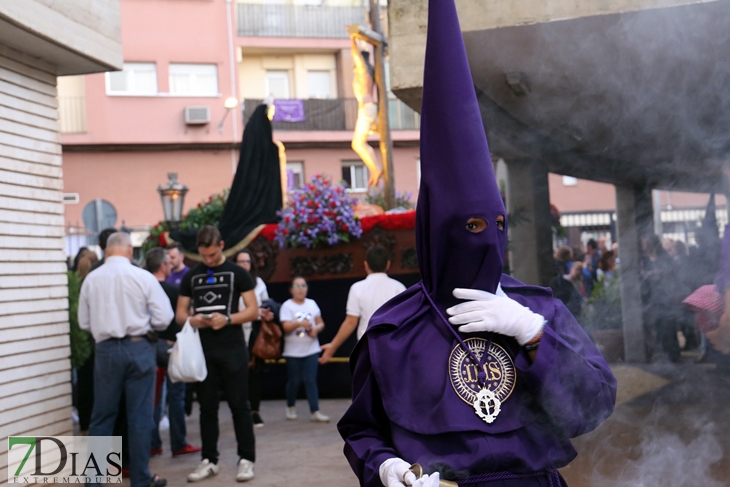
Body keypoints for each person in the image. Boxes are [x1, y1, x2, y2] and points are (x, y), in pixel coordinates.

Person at [337, 0, 616, 484]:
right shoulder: (391, 331)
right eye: (470, 227)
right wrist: (388, 468)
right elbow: (363, 431)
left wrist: (533, 336)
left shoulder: (539, 312)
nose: (488, 240)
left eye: (498, 224)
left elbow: (591, 407)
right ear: (436, 231)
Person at [78, 232, 172, 487]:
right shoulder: (143, 277)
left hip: (106, 350)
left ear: (107, 251)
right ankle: (140, 478)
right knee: (140, 417)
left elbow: (83, 322)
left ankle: (94, 480)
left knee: (102, 417)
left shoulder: (91, 279)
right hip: (139, 346)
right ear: (130, 250)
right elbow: (164, 317)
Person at [177, 226, 259, 483]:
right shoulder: (191, 275)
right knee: (207, 408)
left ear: (221, 245)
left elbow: (253, 310)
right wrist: (194, 320)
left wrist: (228, 319)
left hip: (233, 348)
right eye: (204, 255)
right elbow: (180, 313)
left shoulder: (238, 273)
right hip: (203, 351)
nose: (208, 260)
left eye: (212, 254)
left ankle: (246, 460)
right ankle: (209, 460)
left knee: (240, 406)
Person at [144, 248, 201, 458]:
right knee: (176, 396)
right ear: (162, 266)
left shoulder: (142, 288)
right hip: (170, 347)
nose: (170, 266)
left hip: (148, 347)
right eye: (168, 263)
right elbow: (178, 319)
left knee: (153, 397)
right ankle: (178, 442)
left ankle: (153, 442)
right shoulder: (172, 291)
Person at [319, 245, 406, 364]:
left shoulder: (357, 288)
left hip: (367, 346)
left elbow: (350, 322)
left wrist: (333, 346)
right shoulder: (399, 288)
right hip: (394, 346)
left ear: (366, 265)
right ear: (388, 264)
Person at [280, 276, 330, 423]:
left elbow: (320, 322)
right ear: (291, 290)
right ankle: (290, 406)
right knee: (294, 381)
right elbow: (286, 327)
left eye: (303, 286)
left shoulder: (312, 304)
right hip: (292, 351)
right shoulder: (287, 306)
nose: (300, 289)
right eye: (297, 286)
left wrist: (317, 329)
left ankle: (315, 411)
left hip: (311, 349)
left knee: (310, 380)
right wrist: (299, 323)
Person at [234, 249, 271, 427]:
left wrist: (266, 312)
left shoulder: (258, 283)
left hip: (255, 333)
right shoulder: (232, 282)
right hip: (236, 332)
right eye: (240, 262)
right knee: (239, 374)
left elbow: (266, 304)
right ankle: (241, 411)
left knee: (255, 373)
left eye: (247, 262)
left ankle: (255, 411)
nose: (244, 265)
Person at [348, 27, 382, 187]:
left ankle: (375, 169)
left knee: (357, 144)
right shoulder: (367, 71)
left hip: (367, 110)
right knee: (361, 143)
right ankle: (375, 169)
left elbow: (356, 56)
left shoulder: (363, 71)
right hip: (369, 109)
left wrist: (352, 40)